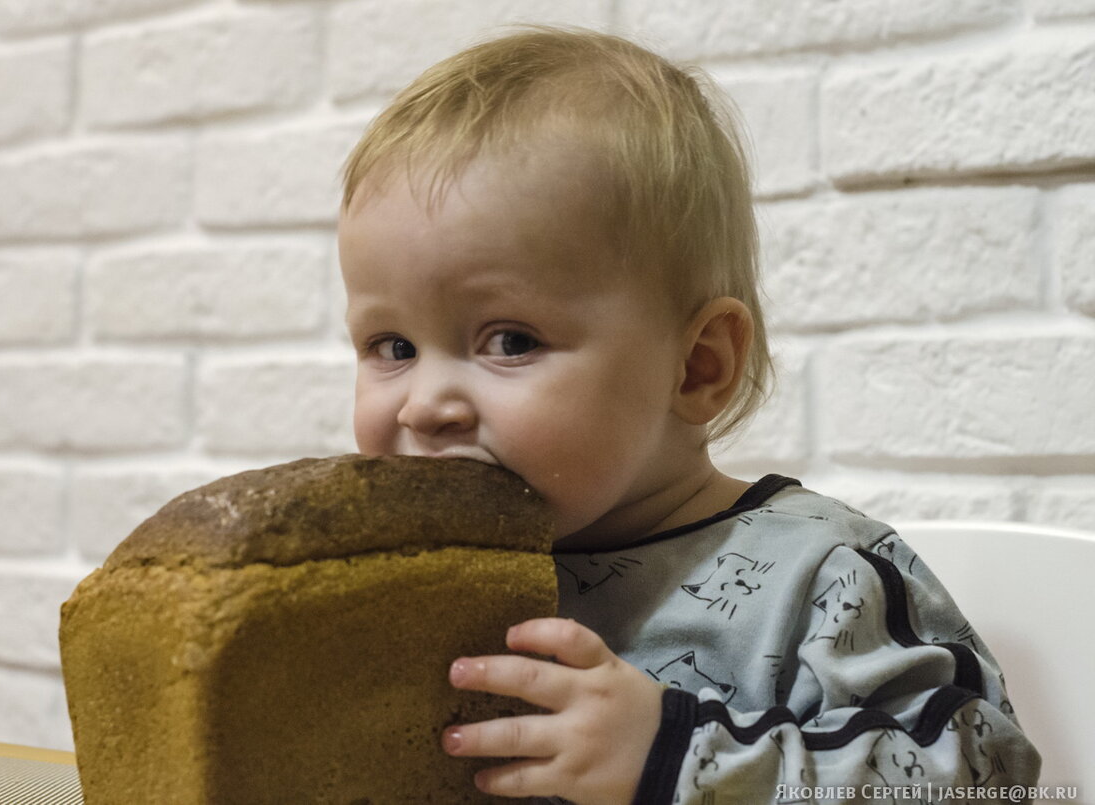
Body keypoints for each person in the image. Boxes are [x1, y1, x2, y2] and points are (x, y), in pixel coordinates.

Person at [335, 25, 1041, 805]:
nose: (426, 403)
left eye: (510, 340)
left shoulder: (821, 578)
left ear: (698, 364)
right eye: (392, 345)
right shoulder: (415, 594)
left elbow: (987, 777)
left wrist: (677, 756)